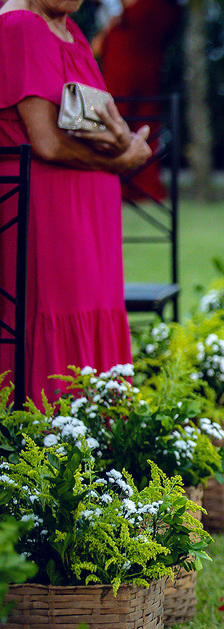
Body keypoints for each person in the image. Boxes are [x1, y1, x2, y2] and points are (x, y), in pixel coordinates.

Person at [0, 0, 151, 407]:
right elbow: (46, 142)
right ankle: (54, 436)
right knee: (55, 319)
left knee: (92, 318)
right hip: (48, 210)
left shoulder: (72, 31)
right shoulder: (20, 26)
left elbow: (96, 118)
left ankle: (96, 433)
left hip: (88, 211)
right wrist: (120, 161)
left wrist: (125, 142)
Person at [93, 0, 183, 203]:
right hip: (148, 73)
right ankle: (140, 186)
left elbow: (96, 47)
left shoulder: (139, 13)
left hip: (125, 70)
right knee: (144, 125)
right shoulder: (165, 11)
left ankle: (120, 184)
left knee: (119, 120)